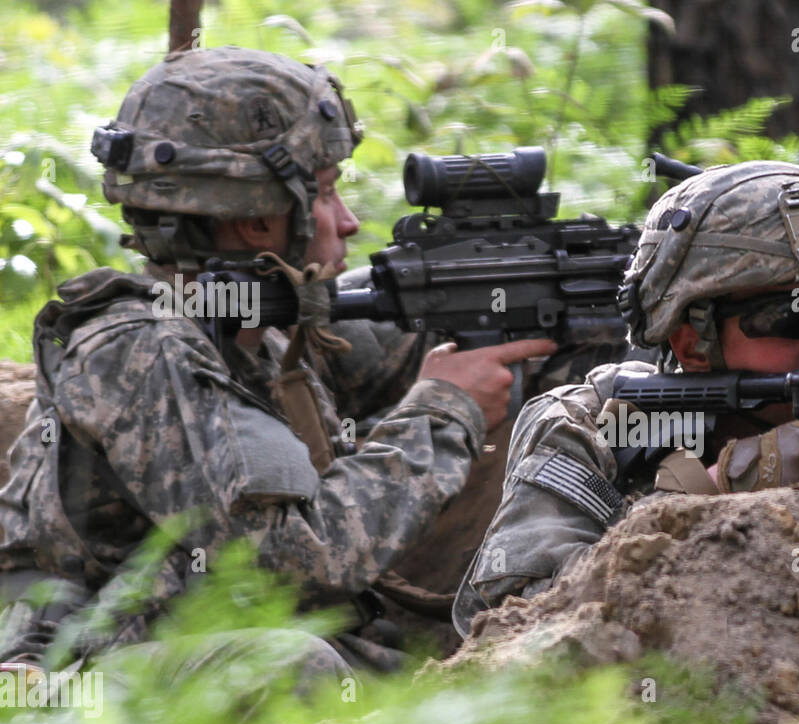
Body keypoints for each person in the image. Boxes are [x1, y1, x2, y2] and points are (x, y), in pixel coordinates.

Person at [0, 46, 554, 684]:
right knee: (297, 668)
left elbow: (398, 355)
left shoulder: (250, 325)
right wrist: (443, 412)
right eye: (324, 193)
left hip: (194, 635)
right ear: (262, 221)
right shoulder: (140, 350)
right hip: (86, 673)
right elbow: (297, 569)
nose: (349, 222)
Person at [453, 160, 799, 633]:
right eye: (787, 317)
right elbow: (509, 627)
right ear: (692, 344)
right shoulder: (596, 426)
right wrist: (708, 493)